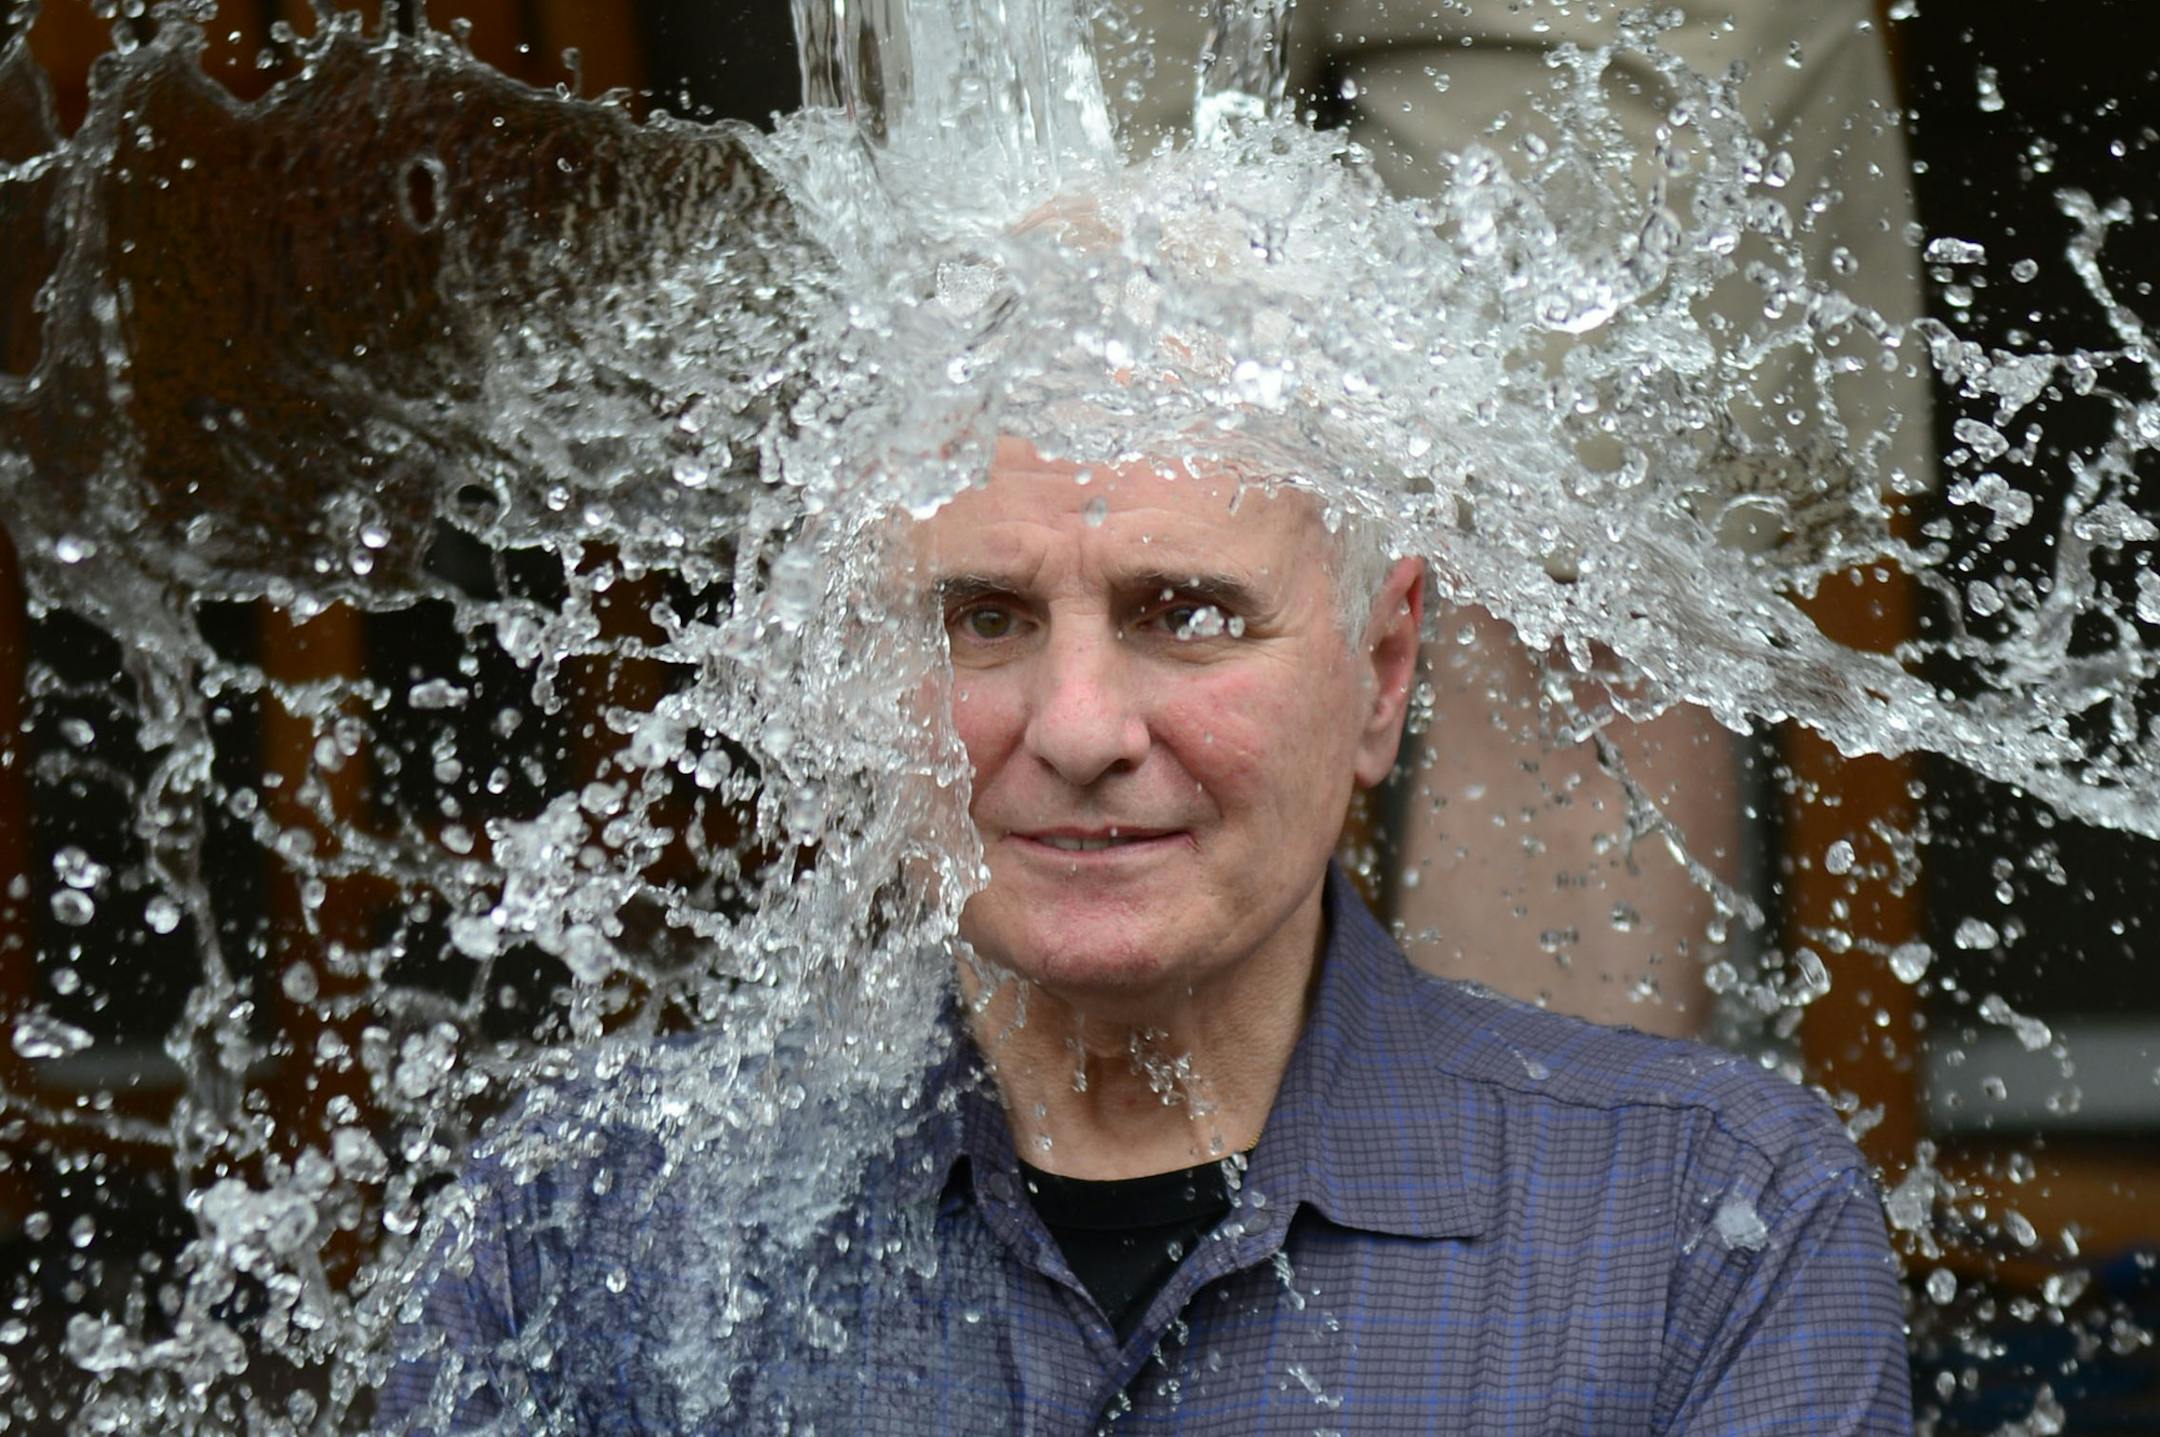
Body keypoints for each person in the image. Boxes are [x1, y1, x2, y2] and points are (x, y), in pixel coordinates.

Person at [374, 437, 1910, 1433]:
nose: (1080, 725)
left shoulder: (1702, 1228)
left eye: (1187, 611)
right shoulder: (587, 1219)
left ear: (1382, 673)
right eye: (984, 616)